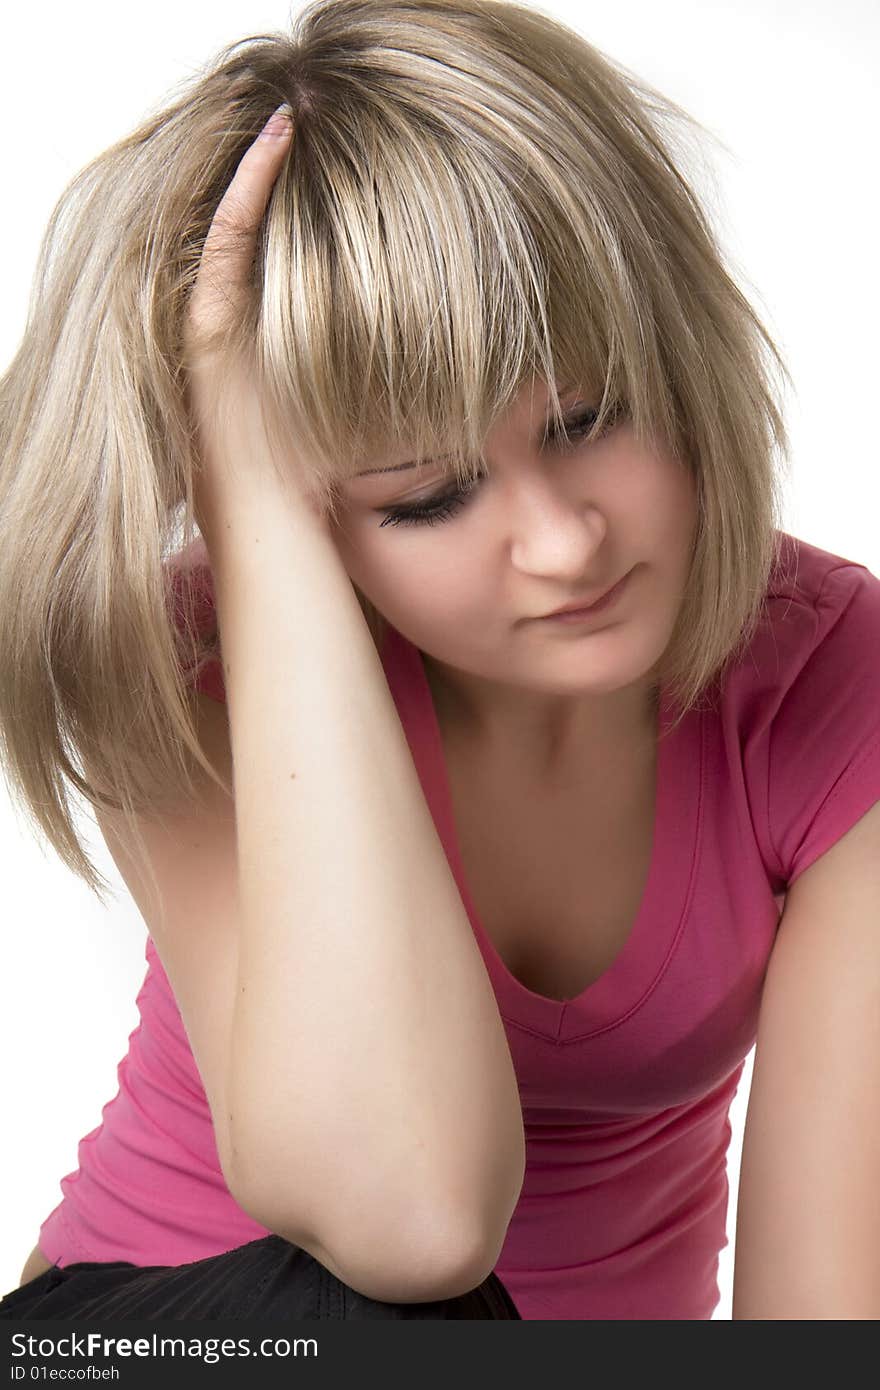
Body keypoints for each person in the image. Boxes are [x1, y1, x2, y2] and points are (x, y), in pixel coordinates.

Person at [1, 0, 879, 1322]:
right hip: (168, 1334)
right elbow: (408, 1218)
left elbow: (823, 1316)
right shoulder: (181, 660)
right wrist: (250, 486)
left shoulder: (834, 680)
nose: (562, 539)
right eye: (426, 495)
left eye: (592, 416)